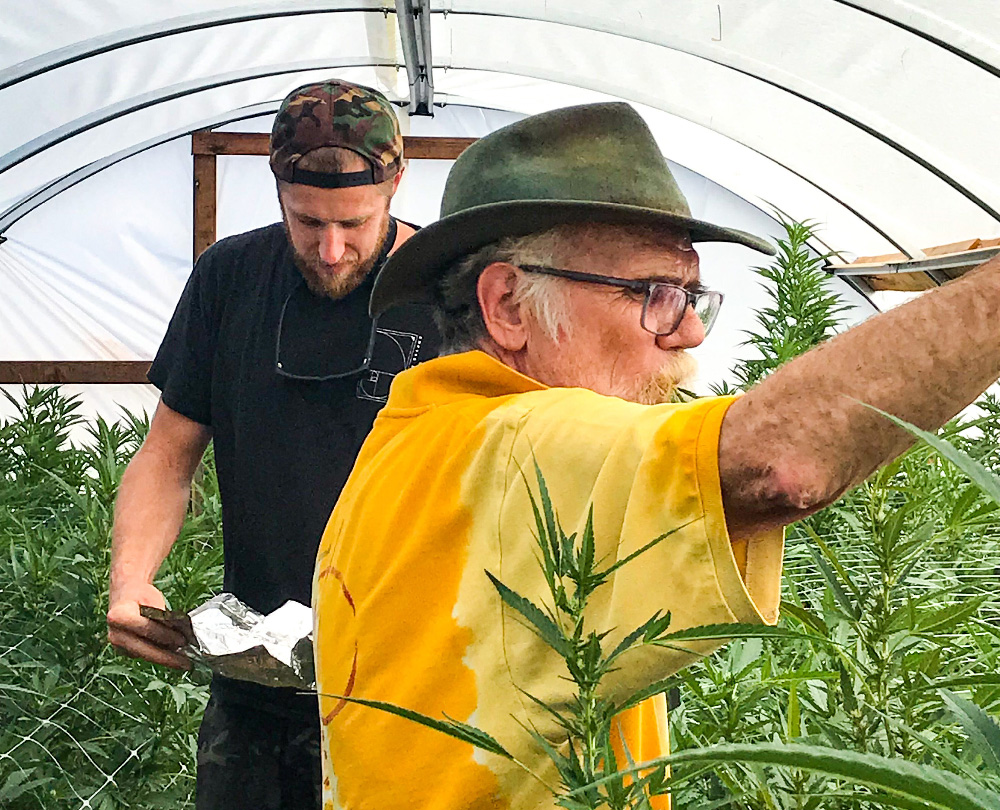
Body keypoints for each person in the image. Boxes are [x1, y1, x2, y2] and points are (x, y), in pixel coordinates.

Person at [312, 101, 1000, 810]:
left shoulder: (415, 440)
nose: (692, 331)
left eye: (693, 295)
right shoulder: (522, 445)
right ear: (509, 305)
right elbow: (780, 461)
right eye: (656, 294)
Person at [107, 79, 440, 809]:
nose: (330, 248)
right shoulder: (230, 278)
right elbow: (168, 453)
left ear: (397, 183)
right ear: (277, 188)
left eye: (355, 223)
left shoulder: (451, 293)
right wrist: (130, 579)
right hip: (256, 686)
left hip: (413, 688)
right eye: (305, 221)